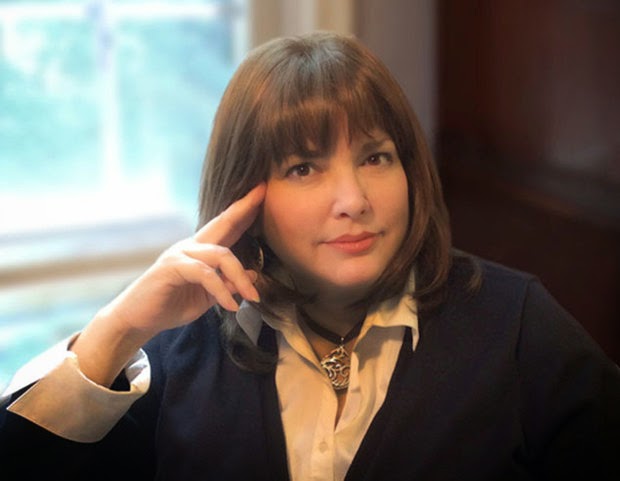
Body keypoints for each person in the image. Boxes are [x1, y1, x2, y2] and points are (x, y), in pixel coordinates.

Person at [1, 31, 619, 481]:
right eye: (303, 167)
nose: (353, 200)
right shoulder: (179, 352)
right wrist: (118, 330)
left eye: (376, 157)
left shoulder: (516, 326)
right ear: (245, 195)